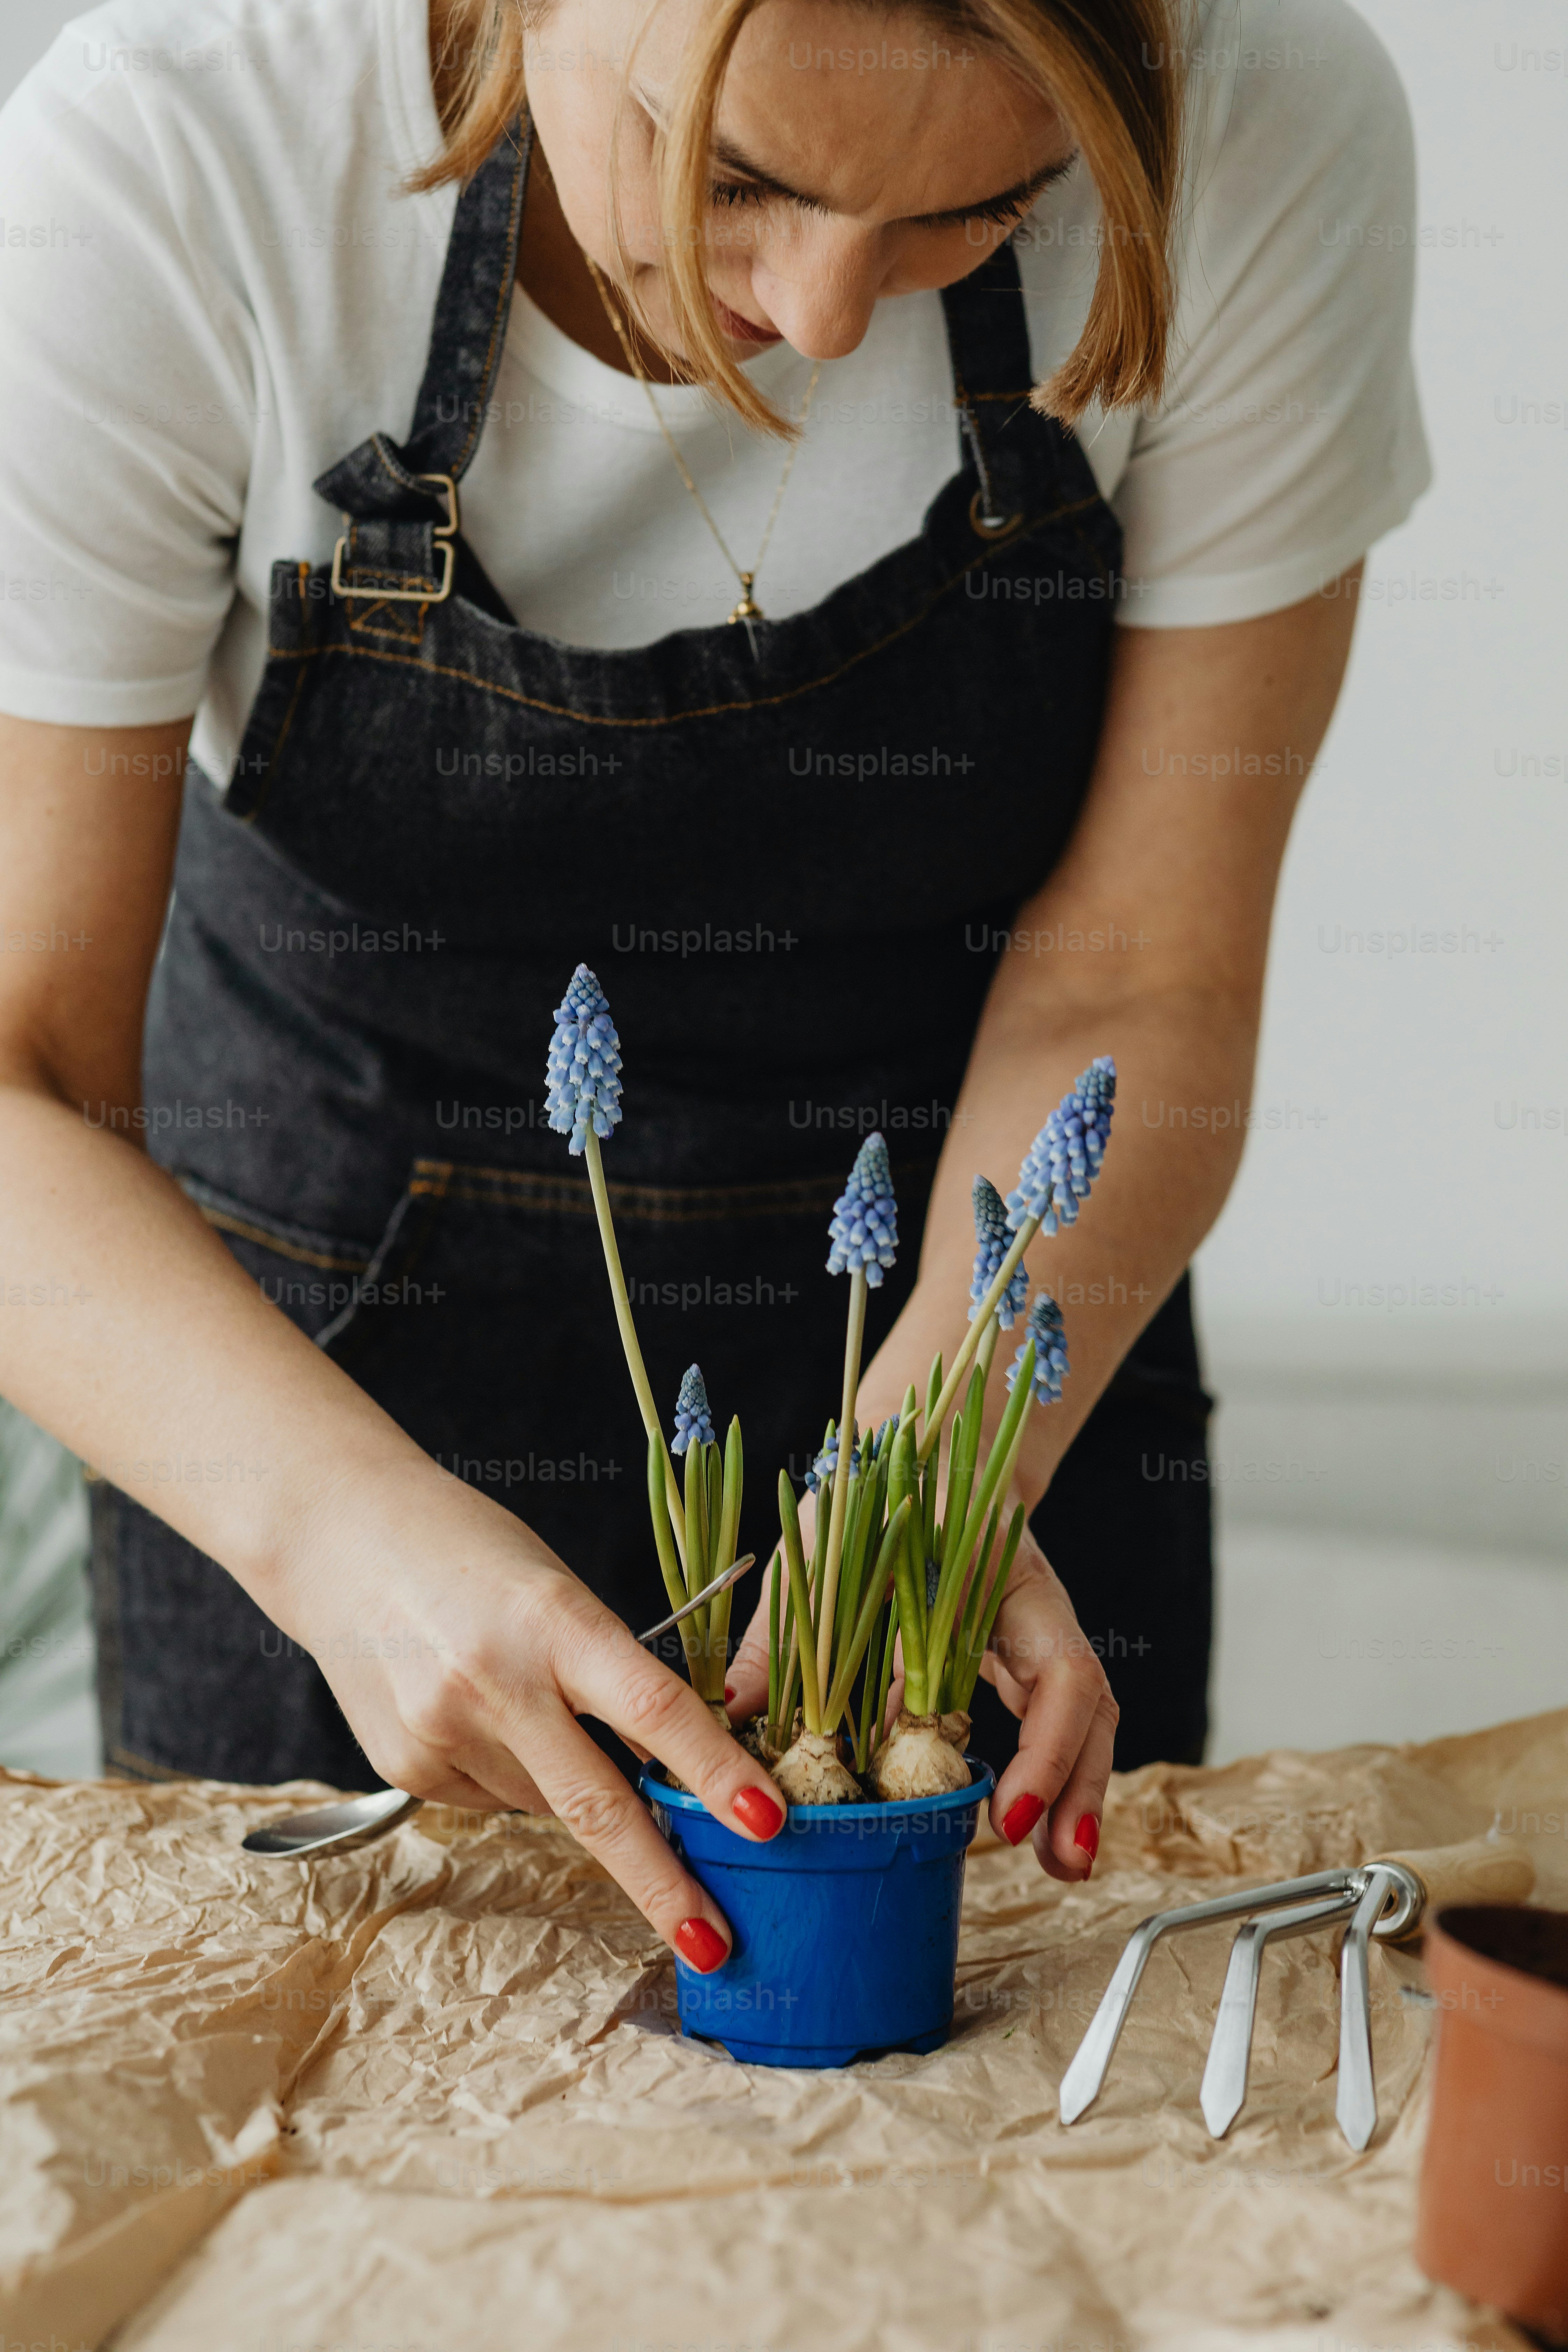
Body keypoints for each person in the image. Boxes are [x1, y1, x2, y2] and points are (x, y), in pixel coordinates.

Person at [0, 0, 1426, 1969]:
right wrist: (328, 1529)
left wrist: (935, 1490)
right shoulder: (170, 162)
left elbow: (1149, 964)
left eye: (984, 209)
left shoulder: (1261, 112)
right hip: (316, 1358)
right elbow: (20, 1072)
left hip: (973, 1300)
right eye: (734, 175)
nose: (829, 318)